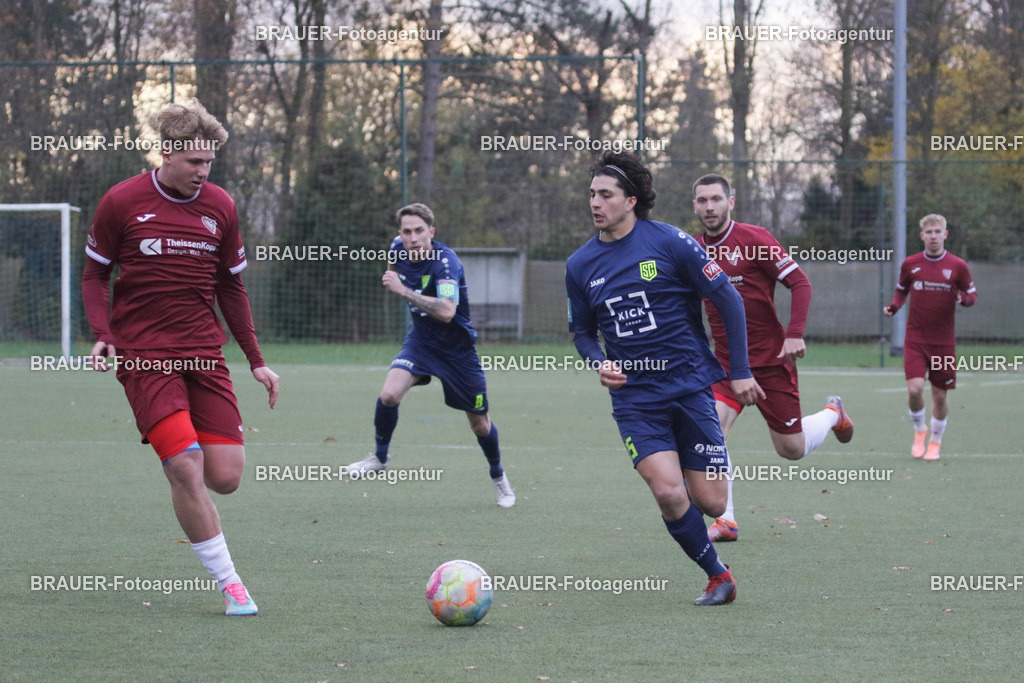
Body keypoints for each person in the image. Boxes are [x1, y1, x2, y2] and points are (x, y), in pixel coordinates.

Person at [83, 101, 279, 616]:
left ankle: (188, 467)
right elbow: (93, 276)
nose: (203, 172)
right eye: (194, 162)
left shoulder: (220, 206)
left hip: (203, 351)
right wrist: (104, 333)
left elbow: (231, 288)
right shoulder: (121, 202)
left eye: (209, 163)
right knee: (186, 468)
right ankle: (232, 584)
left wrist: (256, 359)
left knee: (226, 476)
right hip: (145, 356)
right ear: (167, 154)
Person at [566, 151, 763, 606]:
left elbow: (729, 300)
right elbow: (581, 332)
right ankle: (718, 577)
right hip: (636, 400)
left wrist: (739, 373)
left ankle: (699, 492)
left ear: (630, 200)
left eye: (606, 194)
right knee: (670, 493)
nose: (595, 202)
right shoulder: (580, 265)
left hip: (692, 387)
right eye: (592, 193)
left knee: (712, 502)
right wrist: (599, 361)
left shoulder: (672, 242)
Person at [692, 174, 854, 542]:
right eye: (702, 201)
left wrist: (795, 333)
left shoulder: (754, 240)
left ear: (731, 202)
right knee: (712, 431)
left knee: (791, 449)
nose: (709, 207)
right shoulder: (692, 249)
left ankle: (833, 414)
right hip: (725, 365)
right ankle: (727, 520)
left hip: (769, 362)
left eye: (716, 199)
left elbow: (800, 283)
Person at [346, 203, 515, 507]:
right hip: (421, 343)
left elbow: (448, 312)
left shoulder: (446, 263)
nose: (413, 237)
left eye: (419, 231)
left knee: (480, 424)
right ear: (401, 234)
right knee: (389, 395)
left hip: (457, 352)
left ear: (431, 232)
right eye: (407, 231)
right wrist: (396, 277)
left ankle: (498, 477)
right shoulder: (397, 248)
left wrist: (404, 291)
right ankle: (380, 458)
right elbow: (393, 264)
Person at [884, 213, 976, 460]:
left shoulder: (958, 266)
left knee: (940, 396)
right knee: (914, 390)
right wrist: (894, 306)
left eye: (938, 232)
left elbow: (971, 294)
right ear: (922, 235)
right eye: (929, 232)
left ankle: (936, 440)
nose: (933, 236)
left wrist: (964, 300)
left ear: (945, 234)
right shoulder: (911, 264)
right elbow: (901, 290)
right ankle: (919, 431)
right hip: (915, 339)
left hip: (944, 343)